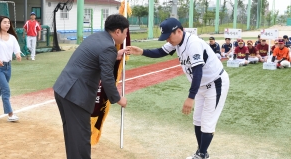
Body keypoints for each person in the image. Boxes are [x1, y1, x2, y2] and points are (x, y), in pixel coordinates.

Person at [127, 18, 230, 159]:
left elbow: (198, 71)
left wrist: (191, 97)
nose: (167, 40)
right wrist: (142, 51)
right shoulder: (177, 41)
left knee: (207, 122)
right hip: (201, 85)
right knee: (198, 120)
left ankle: (201, 155)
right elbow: (160, 52)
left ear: (179, 31)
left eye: (169, 36)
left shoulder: (192, 43)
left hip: (216, 83)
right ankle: (202, 154)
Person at [53, 14, 128, 159]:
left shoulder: (98, 37)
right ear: (118, 32)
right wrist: (118, 99)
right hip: (75, 95)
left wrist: (114, 54)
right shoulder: (108, 47)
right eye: (125, 32)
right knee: (80, 138)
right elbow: (107, 78)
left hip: (64, 90)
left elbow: (96, 54)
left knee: (73, 137)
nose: (126, 36)